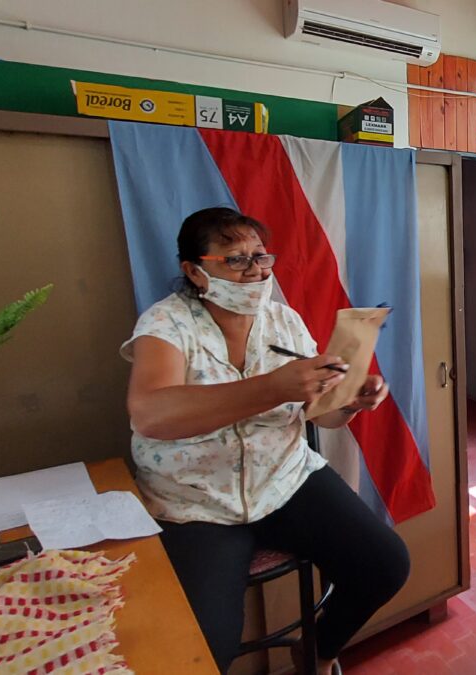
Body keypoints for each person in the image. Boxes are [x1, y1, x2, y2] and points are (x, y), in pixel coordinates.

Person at [120, 207, 410, 675]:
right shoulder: (166, 324)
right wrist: (274, 387)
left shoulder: (283, 321)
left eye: (261, 256)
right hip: (195, 501)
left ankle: (317, 652)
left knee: (385, 565)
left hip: (284, 477)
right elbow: (150, 414)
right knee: (202, 646)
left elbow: (324, 415)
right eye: (235, 260)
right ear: (195, 271)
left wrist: (351, 401)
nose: (256, 270)